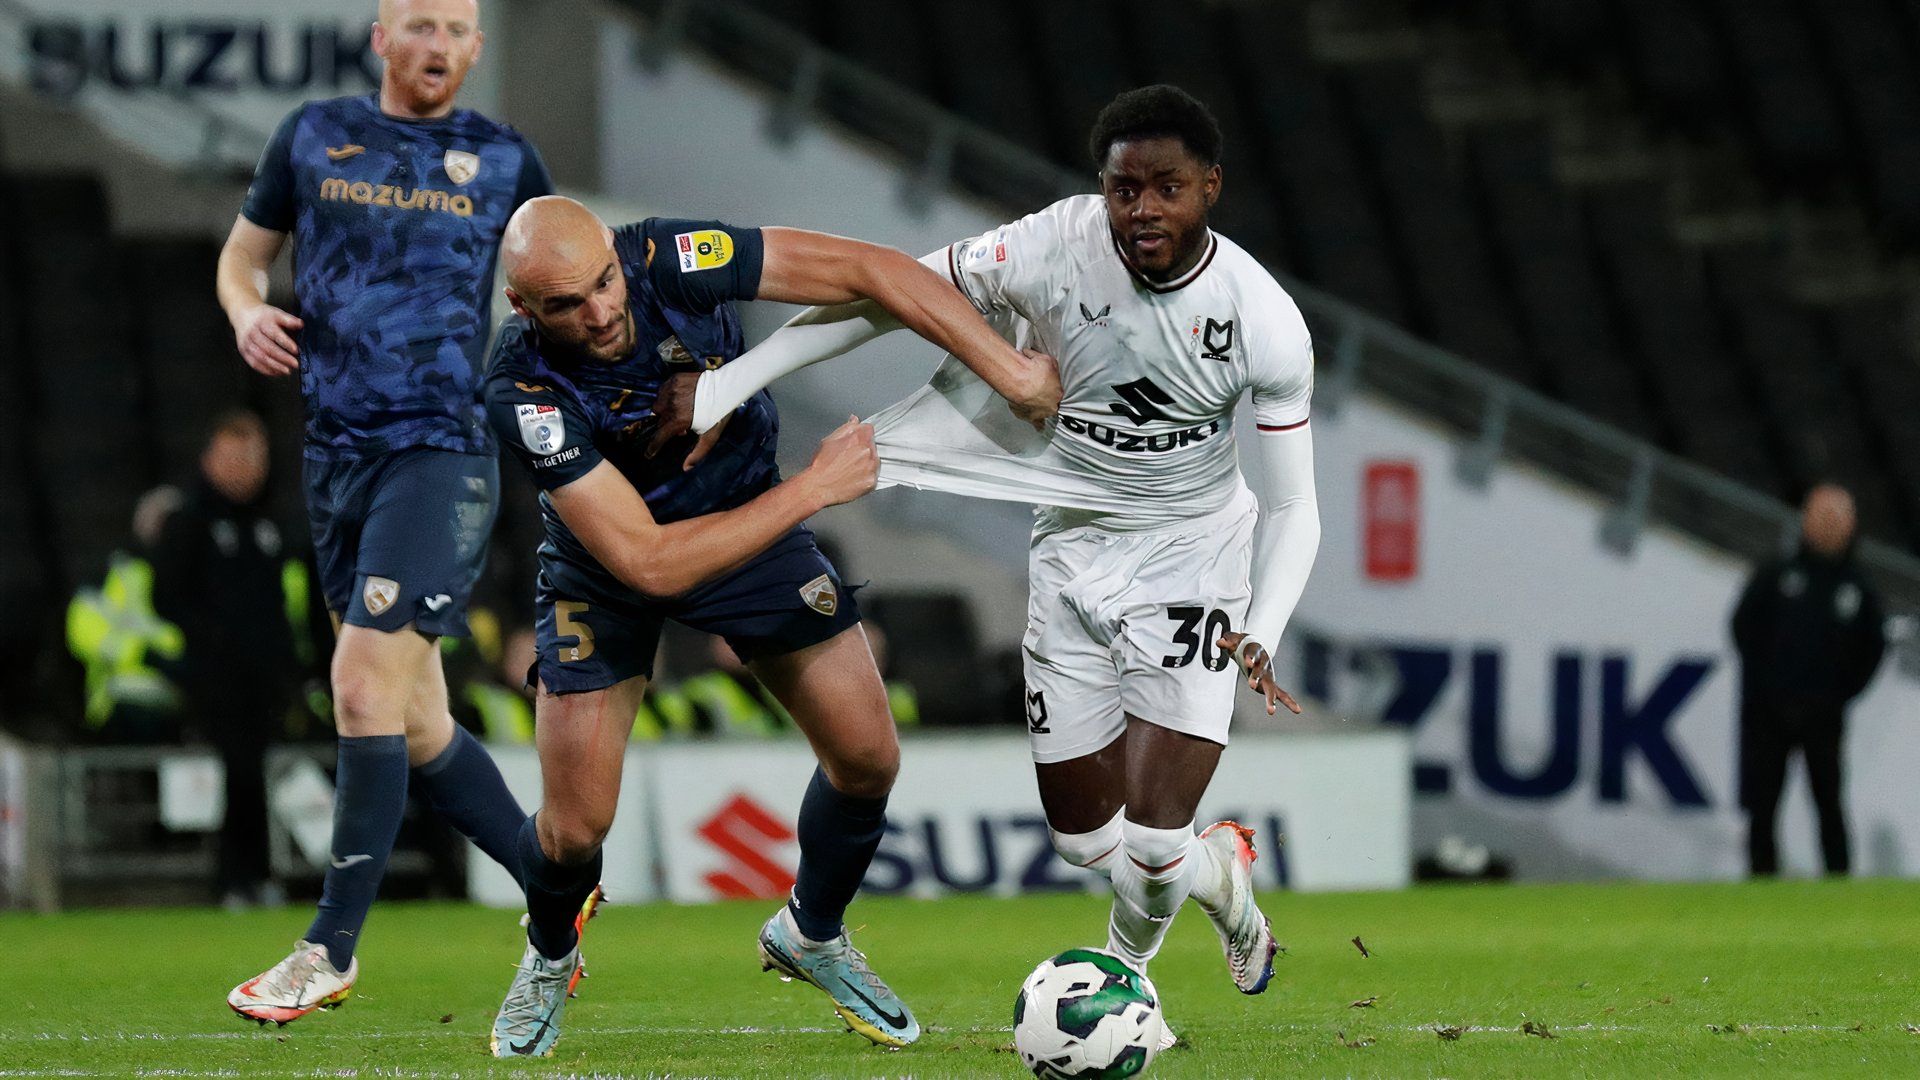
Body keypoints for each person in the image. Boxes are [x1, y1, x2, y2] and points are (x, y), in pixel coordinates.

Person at [658, 86, 1320, 1029]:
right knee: (1088, 842)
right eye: (1123, 189)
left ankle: (1127, 990)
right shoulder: (1052, 245)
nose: (1141, 211)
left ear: (1210, 187)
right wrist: (731, 382)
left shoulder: (1261, 317)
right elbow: (884, 297)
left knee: (1152, 842)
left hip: (1193, 560)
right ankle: (1229, 873)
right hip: (1071, 551)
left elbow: (1295, 503)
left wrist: (1263, 625)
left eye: (1166, 188)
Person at [479, 196, 1059, 1057]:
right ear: (525, 310)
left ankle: (811, 932)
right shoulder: (522, 386)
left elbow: (877, 271)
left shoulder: (674, 257)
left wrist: (1011, 373)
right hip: (608, 571)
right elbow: (647, 563)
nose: (600, 311)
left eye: (604, 281)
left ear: (615, 251)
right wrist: (817, 489)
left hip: (748, 527)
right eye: (566, 304)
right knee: (575, 829)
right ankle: (549, 950)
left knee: (868, 759)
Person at [214, 0, 556, 1024]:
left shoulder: (505, 160)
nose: (438, 45)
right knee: (414, 721)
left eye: (456, 29)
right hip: (335, 463)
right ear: (381, 35)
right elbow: (242, 256)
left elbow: (569, 279)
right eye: (419, 24)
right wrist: (245, 312)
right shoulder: (314, 135)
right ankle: (560, 890)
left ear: (477, 49)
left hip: (443, 454)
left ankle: (329, 947)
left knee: (361, 686)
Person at [150, 411, 304, 909]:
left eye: (253, 457)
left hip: (266, 676)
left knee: (257, 772)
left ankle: (258, 875)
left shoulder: (272, 523)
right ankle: (232, 877)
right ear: (210, 459)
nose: (245, 468)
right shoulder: (188, 520)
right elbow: (166, 598)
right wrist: (213, 643)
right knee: (234, 771)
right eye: (235, 457)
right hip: (215, 677)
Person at [1731, 483, 1886, 877]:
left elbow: (1873, 649)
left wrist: (1840, 693)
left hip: (1824, 715)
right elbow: (1743, 627)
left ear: (1851, 525)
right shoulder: (1778, 574)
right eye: (1821, 516)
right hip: (1770, 712)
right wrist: (1766, 684)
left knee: (1829, 801)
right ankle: (1760, 881)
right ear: (1805, 521)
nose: (1828, 525)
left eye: (1837, 518)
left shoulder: (1859, 589)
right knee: (1763, 802)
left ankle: (1838, 884)